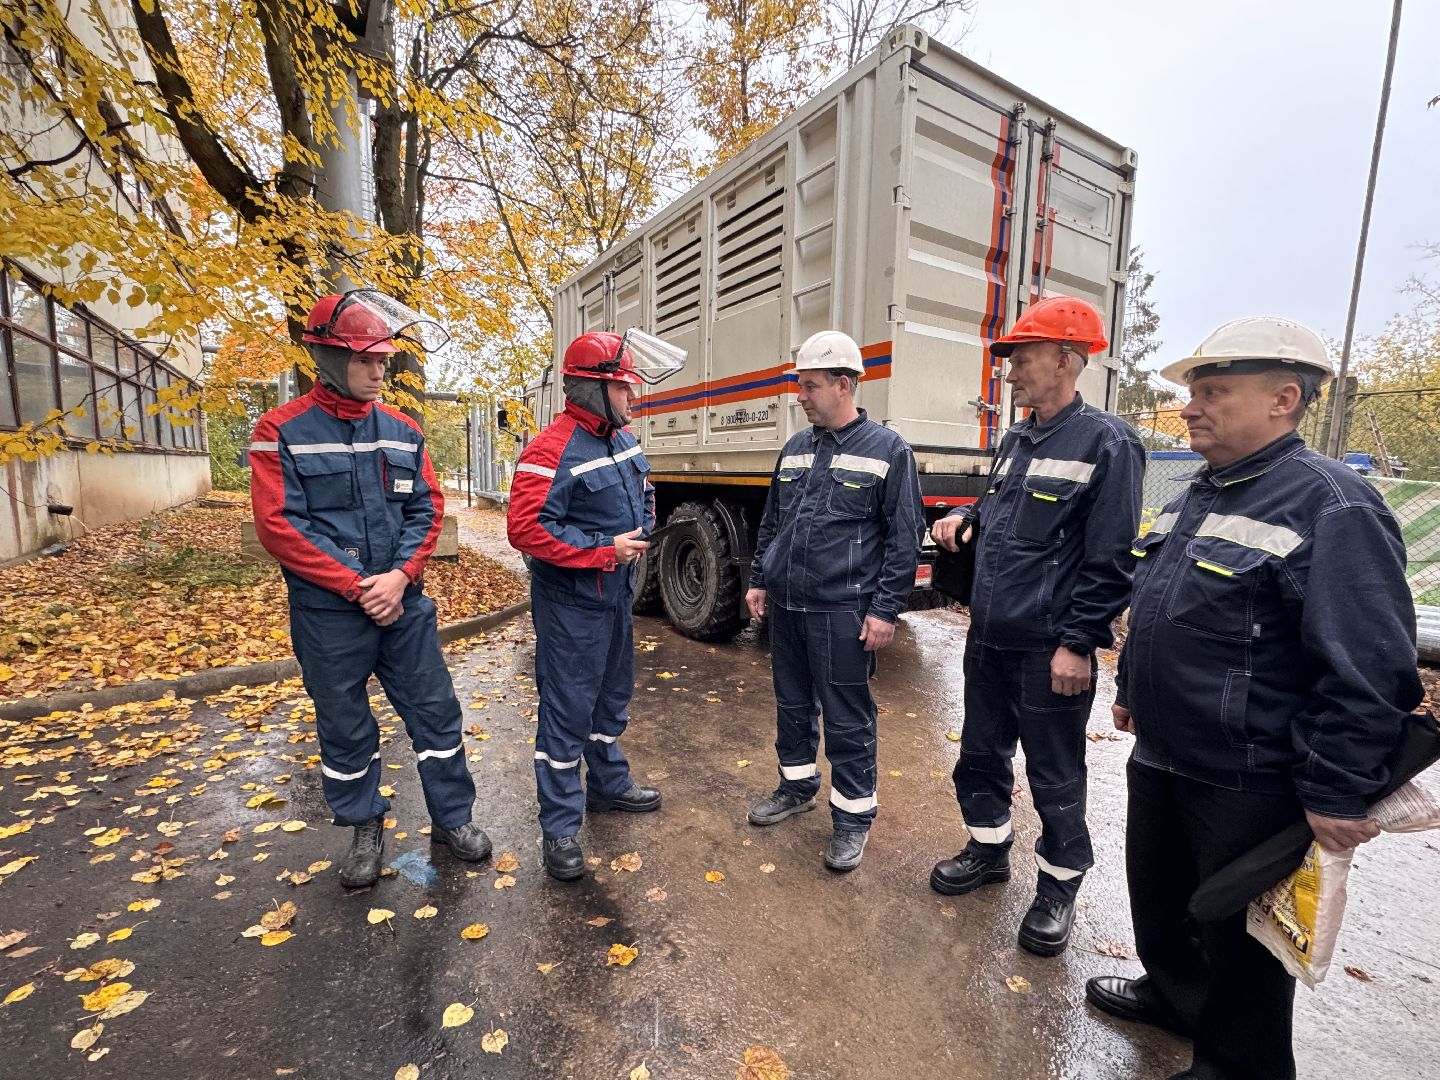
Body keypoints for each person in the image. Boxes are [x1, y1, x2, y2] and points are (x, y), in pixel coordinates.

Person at [1085, 317, 1423, 1080]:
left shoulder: (1332, 505)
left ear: (1283, 399)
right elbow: (1162, 602)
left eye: (1213, 392)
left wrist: (1338, 789)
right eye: (1192, 393)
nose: (1190, 408)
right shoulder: (1200, 491)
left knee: (1242, 943)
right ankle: (1175, 998)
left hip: (1247, 777)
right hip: (1166, 752)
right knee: (1164, 901)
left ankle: (1236, 1067)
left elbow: (1369, 668)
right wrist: (1135, 687)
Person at [250, 289, 492, 889]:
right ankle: (364, 827)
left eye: (383, 360)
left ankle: (452, 818)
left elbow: (427, 510)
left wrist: (400, 577)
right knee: (345, 725)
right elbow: (281, 526)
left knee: (436, 713)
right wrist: (358, 587)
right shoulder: (280, 430)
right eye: (365, 360)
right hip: (329, 613)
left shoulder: (403, 430)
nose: (379, 371)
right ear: (328, 358)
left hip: (403, 604)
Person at [928, 295, 1144, 956]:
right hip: (989, 636)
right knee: (979, 755)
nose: (1011, 370)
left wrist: (1078, 643)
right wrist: (965, 519)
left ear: (1067, 360)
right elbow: (1003, 514)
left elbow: (1110, 558)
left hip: (1049, 648)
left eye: (1024, 358)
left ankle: (1058, 886)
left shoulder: (1108, 442)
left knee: (1054, 774)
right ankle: (989, 849)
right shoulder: (1018, 438)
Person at [745, 330, 924, 872]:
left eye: (810, 386)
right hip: (788, 607)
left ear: (843, 385)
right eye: (800, 385)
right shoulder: (796, 448)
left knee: (847, 719)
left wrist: (885, 610)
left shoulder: (888, 450)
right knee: (792, 706)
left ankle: (851, 819)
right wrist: (759, 579)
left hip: (842, 611)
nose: (800, 396)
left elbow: (904, 539)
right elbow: (773, 522)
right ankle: (796, 787)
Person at [507, 332, 662, 882]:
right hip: (571, 606)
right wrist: (602, 550)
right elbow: (526, 529)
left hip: (615, 596)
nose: (632, 397)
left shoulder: (623, 439)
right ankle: (560, 828)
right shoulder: (549, 450)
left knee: (611, 699)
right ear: (592, 389)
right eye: (623, 388)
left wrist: (637, 532)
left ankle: (608, 785)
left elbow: (645, 493)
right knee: (567, 711)